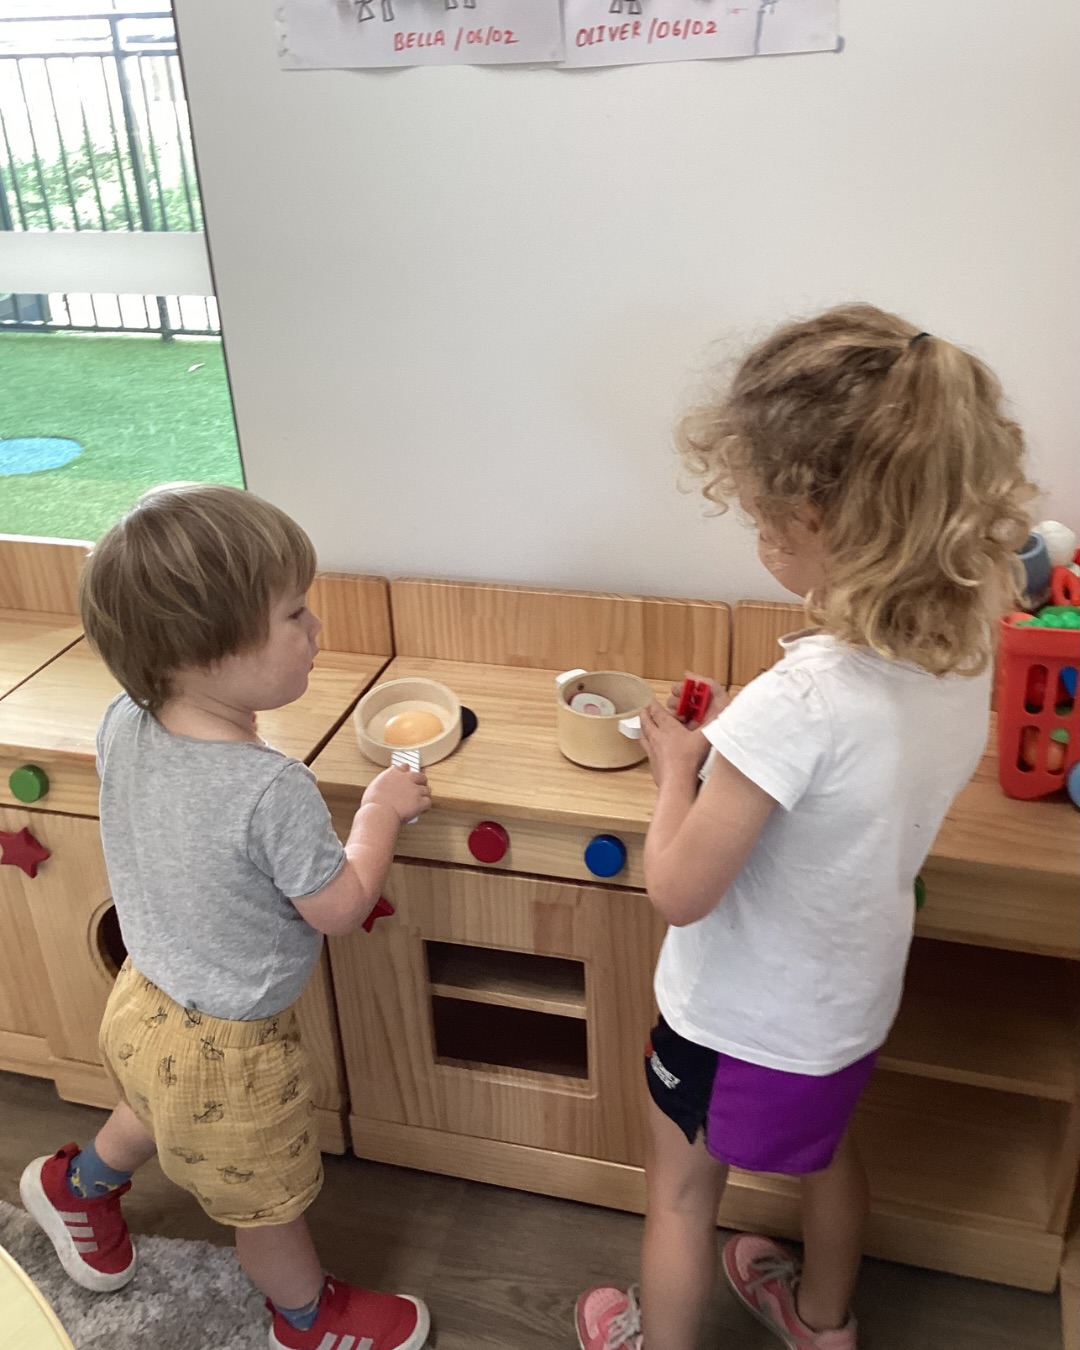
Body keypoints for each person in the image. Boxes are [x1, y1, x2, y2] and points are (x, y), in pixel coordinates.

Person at [575, 306, 1035, 1350]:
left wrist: (677, 772)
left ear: (824, 521)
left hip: (733, 1024)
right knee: (829, 1157)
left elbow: (680, 890)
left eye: (762, 518)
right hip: (847, 1009)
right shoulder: (967, 645)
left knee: (684, 1196)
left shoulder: (800, 703)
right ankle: (825, 1324)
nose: (758, 535)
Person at [20, 484, 432, 1350]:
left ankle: (78, 1186)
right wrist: (382, 812)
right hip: (232, 1054)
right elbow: (341, 907)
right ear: (207, 648)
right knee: (268, 1200)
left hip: (145, 1000)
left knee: (155, 1107)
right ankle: (306, 1318)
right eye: (294, 614)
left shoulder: (124, 722)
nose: (316, 629)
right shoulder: (271, 790)